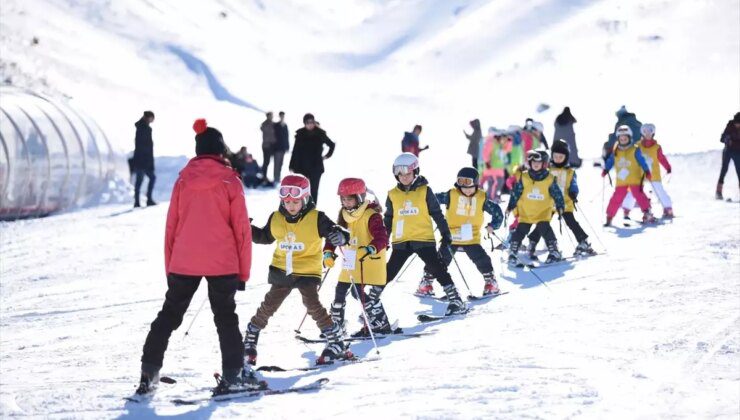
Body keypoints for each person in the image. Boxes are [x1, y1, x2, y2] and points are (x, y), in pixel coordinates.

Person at [136, 119, 254, 396]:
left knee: (168, 316)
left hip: (184, 261)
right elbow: (242, 230)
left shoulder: (183, 180)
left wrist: (171, 268)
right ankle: (233, 375)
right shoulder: (230, 180)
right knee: (225, 318)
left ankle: (148, 372)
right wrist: (244, 273)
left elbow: (171, 227)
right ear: (220, 149)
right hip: (223, 262)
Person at [243, 174, 351, 365]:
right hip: (282, 269)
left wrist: (340, 236)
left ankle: (335, 340)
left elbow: (333, 230)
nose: (291, 206)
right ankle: (251, 336)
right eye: (286, 202)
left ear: (305, 199)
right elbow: (265, 237)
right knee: (269, 305)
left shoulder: (316, 218)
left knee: (312, 303)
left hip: (308, 269)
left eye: (295, 201)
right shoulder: (276, 218)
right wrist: (246, 228)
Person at [368, 153, 467, 318]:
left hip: (423, 239)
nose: (404, 177)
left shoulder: (425, 191)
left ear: (415, 172)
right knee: (389, 271)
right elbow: (389, 218)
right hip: (401, 240)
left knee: (437, 268)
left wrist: (445, 232)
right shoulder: (392, 194)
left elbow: (436, 212)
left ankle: (455, 299)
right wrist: (384, 238)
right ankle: (371, 301)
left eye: (408, 174)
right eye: (400, 175)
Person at [418, 167, 504, 297]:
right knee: (440, 259)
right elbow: (432, 199)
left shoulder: (482, 198)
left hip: (471, 237)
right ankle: (426, 283)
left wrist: (493, 225)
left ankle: (491, 282)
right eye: (462, 186)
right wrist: (422, 192)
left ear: (476, 183)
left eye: (469, 186)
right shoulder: (451, 195)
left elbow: (497, 212)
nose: (466, 189)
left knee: (481, 258)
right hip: (451, 236)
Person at [323, 178, 392, 336]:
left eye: (350, 199)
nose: (346, 203)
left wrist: (369, 248)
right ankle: (336, 326)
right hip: (350, 258)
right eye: (343, 199)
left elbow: (382, 238)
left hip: (369, 260)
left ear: (360, 198)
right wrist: (328, 252)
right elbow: (334, 235)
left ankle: (379, 322)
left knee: (357, 292)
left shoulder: (371, 215)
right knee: (340, 290)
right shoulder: (344, 214)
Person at [527, 140, 595, 257]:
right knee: (543, 223)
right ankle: (533, 240)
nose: (558, 158)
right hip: (549, 204)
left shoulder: (570, 172)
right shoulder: (547, 171)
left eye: (561, 156)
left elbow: (574, 184)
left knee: (571, 222)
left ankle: (583, 241)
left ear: (566, 157)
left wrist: (573, 192)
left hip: (565, 203)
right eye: (555, 156)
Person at [506, 150, 565, 265]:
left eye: (539, 162)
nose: (536, 164)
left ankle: (554, 251)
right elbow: (516, 192)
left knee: (546, 230)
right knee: (520, 231)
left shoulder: (549, 178)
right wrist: (510, 205)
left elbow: (557, 194)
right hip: (526, 212)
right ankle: (513, 251)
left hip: (542, 213)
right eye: (533, 162)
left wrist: (560, 205)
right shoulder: (524, 177)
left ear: (544, 163)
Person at [602, 125, 656, 226]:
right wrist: (606, 169)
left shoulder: (635, 149)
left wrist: (647, 171)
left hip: (634, 178)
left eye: (625, 138)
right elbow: (610, 161)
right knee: (616, 198)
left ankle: (647, 212)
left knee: (640, 196)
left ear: (629, 138)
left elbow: (642, 161)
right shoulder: (616, 150)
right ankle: (609, 216)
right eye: (621, 138)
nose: (623, 140)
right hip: (621, 180)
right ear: (618, 138)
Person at [622, 124, 674, 218]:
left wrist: (668, 167)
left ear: (653, 133)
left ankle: (668, 208)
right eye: (645, 131)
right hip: (639, 173)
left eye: (650, 131)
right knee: (634, 191)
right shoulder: (637, 145)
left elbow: (661, 158)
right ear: (642, 133)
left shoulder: (656, 147)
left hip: (653, 173)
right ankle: (626, 209)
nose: (648, 133)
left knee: (659, 190)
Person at [288, 113, 335, 204]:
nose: (310, 124)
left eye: (312, 122)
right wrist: (291, 165)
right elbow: (295, 151)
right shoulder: (300, 134)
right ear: (304, 123)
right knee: (301, 189)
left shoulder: (320, 133)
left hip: (315, 166)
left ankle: (313, 210)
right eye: (308, 122)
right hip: (301, 166)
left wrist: (326, 156)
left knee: (314, 190)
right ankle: (302, 208)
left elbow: (331, 145)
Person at [132, 111, 156, 207]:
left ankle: (144, 200)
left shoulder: (144, 128)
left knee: (147, 179)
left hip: (144, 160)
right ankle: (140, 201)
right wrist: (147, 161)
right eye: (152, 118)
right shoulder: (143, 129)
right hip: (142, 160)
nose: (153, 120)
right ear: (148, 117)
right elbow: (143, 146)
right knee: (140, 181)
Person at [480, 128, 509, 202]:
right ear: (498, 136)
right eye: (503, 138)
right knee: (494, 183)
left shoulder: (500, 145)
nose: (504, 140)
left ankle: (494, 196)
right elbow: (485, 153)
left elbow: (507, 149)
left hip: (499, 169)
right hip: (492, 169)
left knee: (500, 183)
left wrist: (509, 141)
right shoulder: (491, 142)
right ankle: (491, 198)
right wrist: (487, 162)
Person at [716, 112, 740, 199]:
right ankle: (718, 192)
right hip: (728, 151)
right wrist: (727, 139)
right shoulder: (730, 126)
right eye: (736, 123)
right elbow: (722, 138)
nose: (737, 125)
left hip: (738, 153)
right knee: (724, 170)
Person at [260, 112, 277, 186]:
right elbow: (267, 133)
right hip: (266, 146)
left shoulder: (273, 124)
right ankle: (264, 176)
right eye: (269, 116)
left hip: (272, 146)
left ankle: (273, 177)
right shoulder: (265, 124)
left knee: (272, 162)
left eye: (271, 116)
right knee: (266, 162)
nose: (271, 117)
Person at [273, 111, 290, 183]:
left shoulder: (285, 125)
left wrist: (287, 146)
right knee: (276, 163)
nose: (282, 117)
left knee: (281, 163)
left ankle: (278, 177)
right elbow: (273, 136)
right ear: (279, 116)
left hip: (283, 148)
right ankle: (276, 178)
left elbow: (287, 137)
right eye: (281, 116)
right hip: (277, 148)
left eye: (283, 116)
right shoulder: (276, 125)